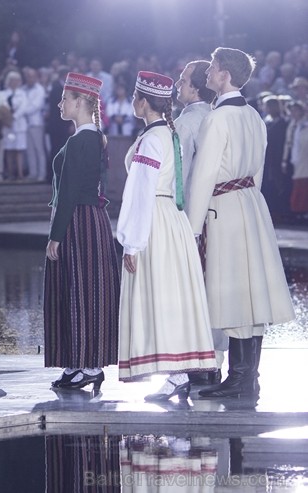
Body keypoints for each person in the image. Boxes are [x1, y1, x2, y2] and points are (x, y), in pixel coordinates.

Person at [187, 48, 295, 399]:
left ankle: (238, 378)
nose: (207, 73)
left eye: (213, 68)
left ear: (225, 76)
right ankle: (248, 377)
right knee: (251, 293)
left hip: (224, 207)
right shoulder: (253, 115)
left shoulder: (218, 119)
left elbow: (203, 176)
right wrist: (247, 202)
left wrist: (192, 226)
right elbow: (259, 172)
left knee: (233, 293)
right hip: (250, 204)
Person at [117, 71, 216, 401]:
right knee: (172, 295)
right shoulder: (168, 134)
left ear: (143, 102)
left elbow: (141, 192)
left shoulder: (151, 139)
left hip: (155, 221)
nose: (133, 102)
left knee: (158, 294)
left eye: (134, 97)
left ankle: (174, 372)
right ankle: (178, 370)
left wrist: (131, 242)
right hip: (172, 220)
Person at [44, 73, 120, 392]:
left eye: (65, 98)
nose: (61, 103)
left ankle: (88, 365)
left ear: (79, 102)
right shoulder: (92, 137)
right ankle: (79, 363)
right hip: (90, 219)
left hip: (80, 221)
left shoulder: (82, 140)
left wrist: (56, 235)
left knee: (82, 291)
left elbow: (71, 192)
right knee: (83, 290)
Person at [173, 60, 225, 386]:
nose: (178, 86)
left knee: (190, 291)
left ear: (194, 88)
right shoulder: (216, 116)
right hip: (217, 213)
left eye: (182, 81)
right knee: (213, 288)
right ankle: (213, 361)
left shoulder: (188, 122)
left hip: (191, 216)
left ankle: (195, 362)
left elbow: (178, 174)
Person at [287, 101, 308, 218]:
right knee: (299, 185)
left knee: (303, 185)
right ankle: (298, 210)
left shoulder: (304, 124)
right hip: (296, 158)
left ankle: (303, 211)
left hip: (304, 159)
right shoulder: (294, 125)